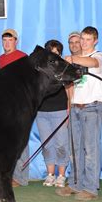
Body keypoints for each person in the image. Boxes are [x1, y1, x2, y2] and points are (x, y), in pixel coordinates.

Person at [57, 26, 102, 200]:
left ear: (95, 41)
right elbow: (70, 86)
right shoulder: (76, 61)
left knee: (90, 149)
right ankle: (75, 184)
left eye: (87, 40)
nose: (84, 43)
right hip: (76, 107)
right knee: (75, 149)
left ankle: (91, 188)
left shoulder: (98, 56)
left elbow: (93, 64)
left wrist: (72, 59)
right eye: (82, 40)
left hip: (92, 108)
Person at [0, 28, 29, 187]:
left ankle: (21, 177)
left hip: (20, 106)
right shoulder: (0, 59)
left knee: (20, 141)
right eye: (4, 40)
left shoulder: (23, 58)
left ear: (16, 41)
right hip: (4, 107)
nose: (7, 43)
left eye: (10, 40)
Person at [38, 40, 70, 188]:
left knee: (61, 144)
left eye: (56, 52)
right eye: (51, 51)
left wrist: (70, 107)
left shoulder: (64, 68)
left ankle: (62, 175)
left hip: (60, 109)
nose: (54, 54)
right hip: (42, 111)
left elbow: (70, 89)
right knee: (46, 144)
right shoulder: (40, 68)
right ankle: (50, 174)